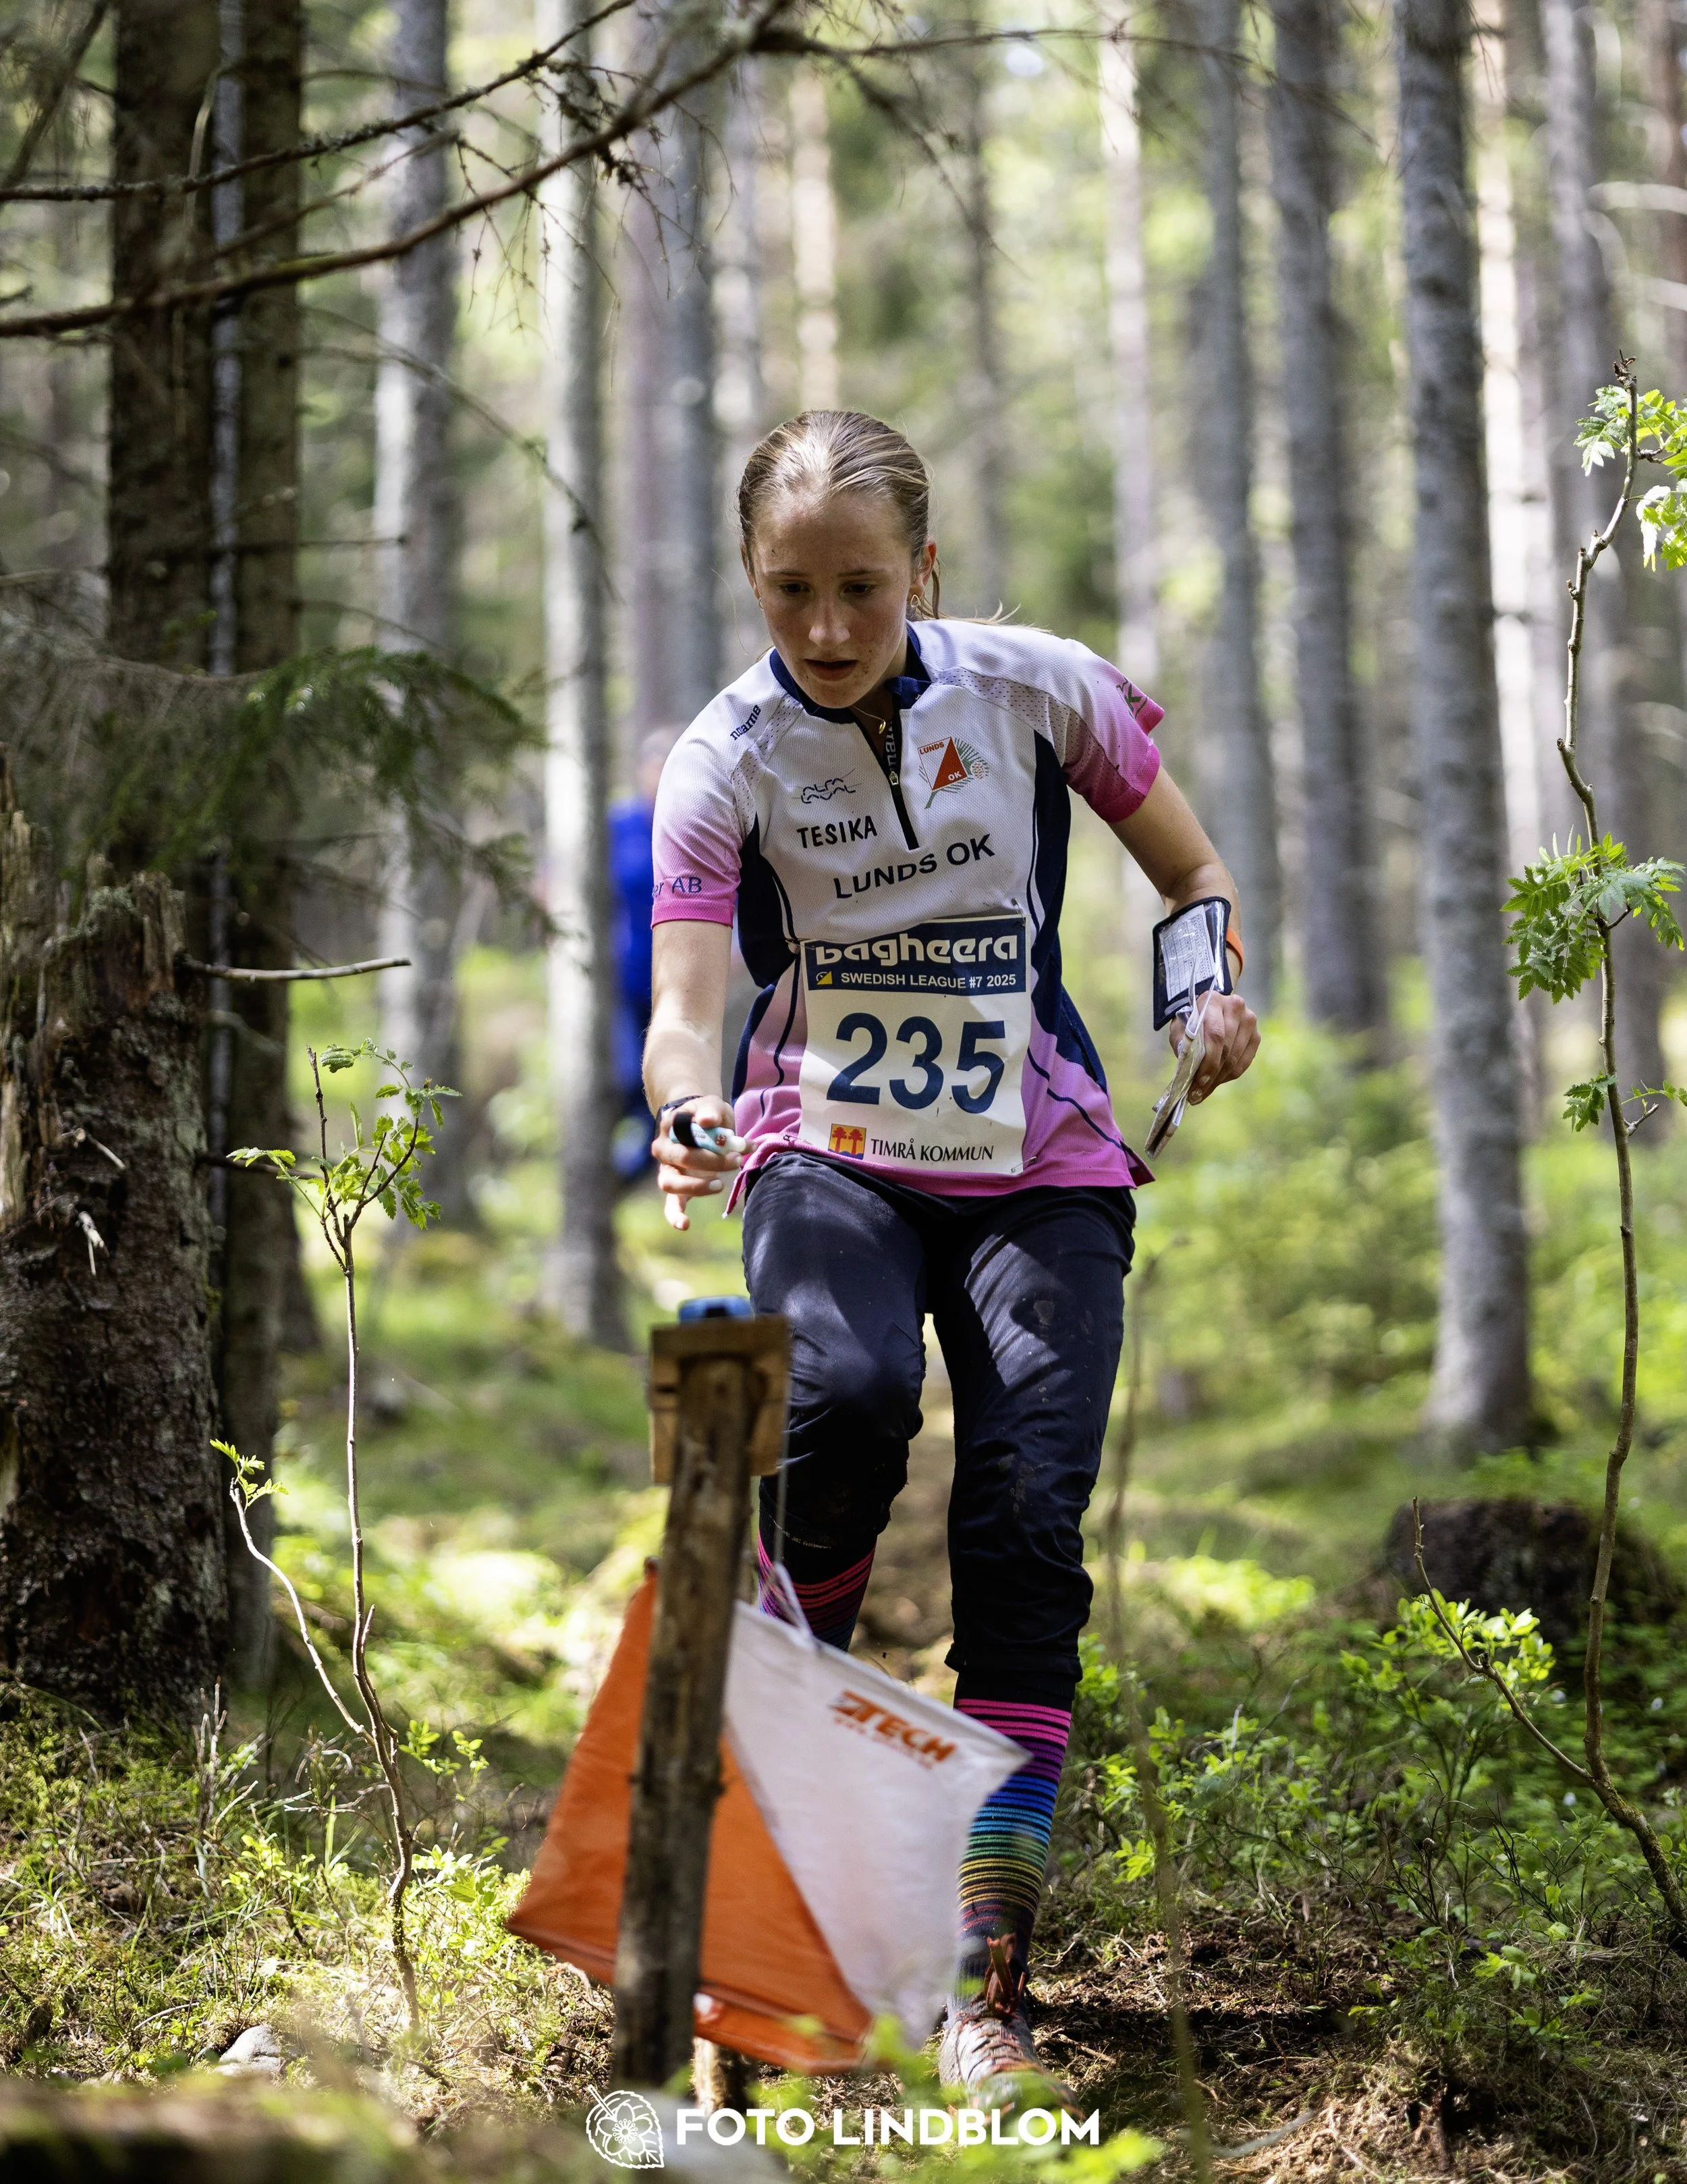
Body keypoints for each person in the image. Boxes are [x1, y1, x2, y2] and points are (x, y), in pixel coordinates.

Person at [642, 410, 1259, 2109]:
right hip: (823, 1146)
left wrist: (1205, 995)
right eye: (789, 591)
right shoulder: (722, 755)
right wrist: (684, 1109)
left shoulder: (1038, 690)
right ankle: (784, 1841)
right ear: (750, 579)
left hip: (1035, 1157)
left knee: (1023, 1515)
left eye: (860, 586)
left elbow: (1190, 874)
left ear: (922, 569)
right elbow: (682, 1009)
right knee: (839, 1404)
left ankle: (982, 1986)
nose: (826, 626)